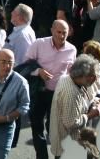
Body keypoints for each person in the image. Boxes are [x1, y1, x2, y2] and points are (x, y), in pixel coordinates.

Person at [24, 19, 78, 159]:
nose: (61, 35)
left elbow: (71, 73)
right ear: (52, 30)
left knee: (55, 129)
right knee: (37, 126)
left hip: (58, 94)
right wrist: (39, 71)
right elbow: (25, 65)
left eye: (64, 33)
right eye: (58, 32)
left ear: (69, 33)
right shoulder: (39, 44)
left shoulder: (72, 49)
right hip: (39, 92)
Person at [48, 55, 100, 159]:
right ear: (81, 75)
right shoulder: (72, 93)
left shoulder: (67, 78)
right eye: (92, 75)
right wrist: (92, 114)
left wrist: (93, 102)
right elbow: (70, 123)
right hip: (68, 147)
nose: (95, 79)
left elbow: (79, 104)